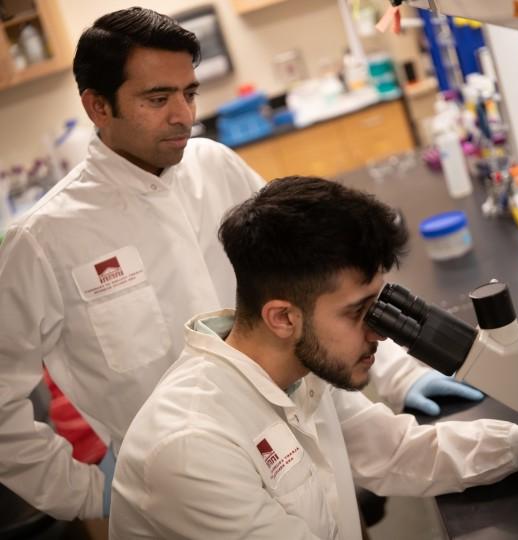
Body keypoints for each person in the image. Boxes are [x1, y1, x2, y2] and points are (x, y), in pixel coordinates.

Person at [0, 7, 480, 522]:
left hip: (302, 446)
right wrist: (84, 494)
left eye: (189, 93)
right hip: (188, 497)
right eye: (158, 99)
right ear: (98, 106)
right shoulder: (43, 240)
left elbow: (319, 281)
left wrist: (400, 374)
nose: (183, 114)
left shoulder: (215, 165)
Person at [109, 177, 518, 539]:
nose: (381, 333)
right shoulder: (191, 450)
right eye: (358, 313)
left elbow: (399, 453)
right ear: (283, 316)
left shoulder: (289, 369)